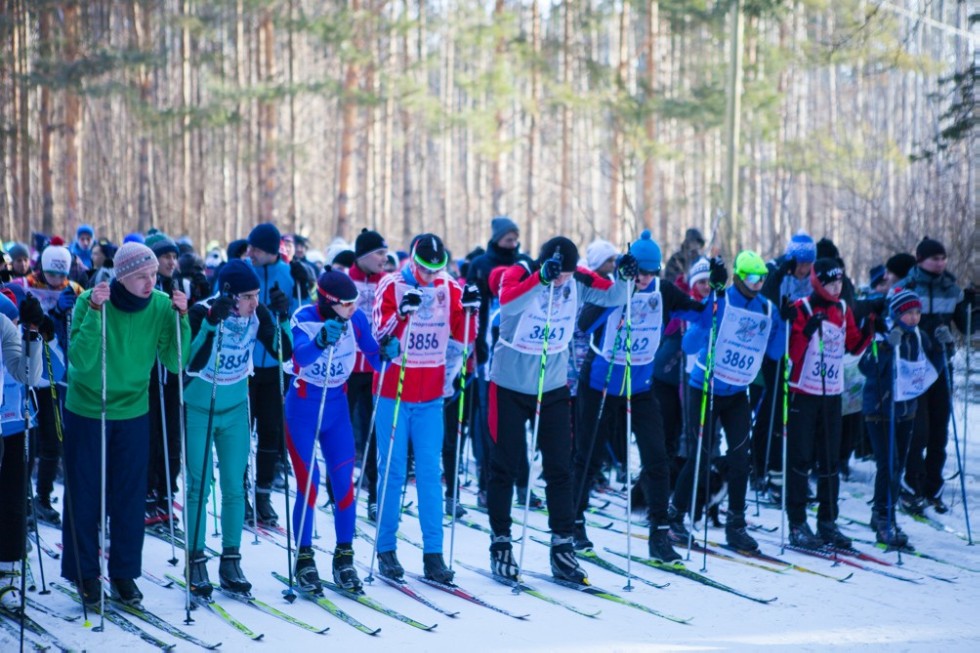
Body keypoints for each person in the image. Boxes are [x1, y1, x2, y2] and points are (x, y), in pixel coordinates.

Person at [487, 236, 628, 583]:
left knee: (560, 467)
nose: (563, 280)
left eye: (566, 274)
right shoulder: (517, 271)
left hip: (551, 387)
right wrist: (541, 280)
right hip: (508, 386)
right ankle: (501, 542)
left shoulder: (577, 277)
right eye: (558, 273)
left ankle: (562, 545)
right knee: (505, 466)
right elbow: (507, 305)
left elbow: (613, 296)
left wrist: (624, 276)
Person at [60, 241, 190, 607]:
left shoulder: (162, 305)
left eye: (153, 275)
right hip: (89, 408)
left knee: (130, 497)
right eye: (140, 277)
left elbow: (175, 361)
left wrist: (182, 320)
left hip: (133, 410)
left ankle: (124, 573)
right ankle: (85, 574)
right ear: (121, 277)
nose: (150, 283)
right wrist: (97, 312)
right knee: (86, 495)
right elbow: (81, 363)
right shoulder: (92, 301)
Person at [574, 231, 704, 560]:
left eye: (651, 272)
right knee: (588, 457)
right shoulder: (613, 287)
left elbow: (700, 314)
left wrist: (716, 292)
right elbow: (585, 324)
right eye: (640, 272)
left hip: (640, 387)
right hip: (600, 384)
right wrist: (621, 289)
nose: (645, 278)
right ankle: (573, 524)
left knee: (657, 458)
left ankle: (659, 534)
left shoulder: (663, 291)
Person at [372, 234, 477, 583]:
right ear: (412, 262)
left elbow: (463, 336)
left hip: (431, 397)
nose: (431, 278)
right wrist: (403, 315)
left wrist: (474, 311)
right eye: (424, 270)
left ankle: (434, 555)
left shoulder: (450, 288)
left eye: (437, 270)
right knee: (394, 472)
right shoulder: (390, 285)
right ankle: (386, 547)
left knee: (431, 475)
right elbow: (380, 338)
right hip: (393, 395)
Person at [183, 259, 292, 598]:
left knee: (234, 486)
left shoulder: (257, 316)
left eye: (257, 295)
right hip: (201, 407)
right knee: (200, 485)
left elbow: (283, 353)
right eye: (247, 296)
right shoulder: (202, 312)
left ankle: (231, 559)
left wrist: (282, 318)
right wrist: (212, 324)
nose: (253, 303)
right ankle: (196, 559)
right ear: (228, 295)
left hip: (234, 409)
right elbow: (192, 362)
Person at [669, 251, 788, 551]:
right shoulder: (722, 299)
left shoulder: (767, 308)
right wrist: (715, 307)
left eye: (762, 278)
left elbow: (773, 354)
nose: (758, 283)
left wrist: (784, 323)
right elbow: (689, 343)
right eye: (751, 277)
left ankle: (736, 525)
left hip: (737, 392)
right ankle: (674, 517)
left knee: (740, 459)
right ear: (738, 276)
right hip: (705, 386)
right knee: (701, 455)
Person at [284, 270, 394, 593]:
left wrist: (386, 351)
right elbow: (300, 356)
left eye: (354, 303)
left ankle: (344, 557)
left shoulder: (356, 319)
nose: (352, 308)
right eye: (346, 304)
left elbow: (374, 357)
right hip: (303, 407)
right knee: (309, 484)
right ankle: (304, 558)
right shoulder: (303, 318)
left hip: (336, 407)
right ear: (328, 302)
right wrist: (320, 341)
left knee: (344, 485)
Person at [785, 258, 873, 548]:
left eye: (839, 282)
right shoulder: (802, 308)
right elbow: (793, 356)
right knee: (800, 459)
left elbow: (854, 345)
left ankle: (828, 521)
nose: (836, 287)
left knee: (829, 459)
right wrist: (807, 330)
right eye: (830, 282)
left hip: (832, 394)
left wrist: (871, 324)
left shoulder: (843, 309)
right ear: (817, 282)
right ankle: (797, 522)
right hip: (803, 394)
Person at [859, 287, 943, 548]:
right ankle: (884, 516)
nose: (914, 318)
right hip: (881, 410)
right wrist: (885, 348)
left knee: (898, 466)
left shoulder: (918, 336)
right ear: (896, 313)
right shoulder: (882, 333)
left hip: (907, 410)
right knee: (888, 464)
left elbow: (932, 370)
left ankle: (883, 513)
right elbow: (866, 367)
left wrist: (942, 347)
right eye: (908, 313)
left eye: (917, 312)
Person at [899, 237, 972, 514]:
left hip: (941, 366)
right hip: (914, 368)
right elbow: (893, 320)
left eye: (943, 258)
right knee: (918, 431)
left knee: (939, 430)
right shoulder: (907, 287)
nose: (940, 262)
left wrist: (973, 309)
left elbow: (966, 328)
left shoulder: (952, 289)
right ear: (920, 260)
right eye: (934, 258)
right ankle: (911, 487)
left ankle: (934, 488)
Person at [245, 222, 296, 524]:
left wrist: (287, 306)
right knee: (241, 433)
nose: (251, 252)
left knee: (270, 432)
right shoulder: (242, 271)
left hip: (277, 365)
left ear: (271, 252)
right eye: (251, 247)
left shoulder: (289, 276)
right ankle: (240, 494)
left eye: (257, 249)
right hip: (246, 365)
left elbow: (303, 310)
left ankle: (263, 494)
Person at [0, 293, 45, 611]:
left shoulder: (3, 324)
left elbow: (27, 374)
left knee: (12, 502)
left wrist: (31, 332)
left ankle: (7, 574)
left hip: (13, 425)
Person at [347, 228, 389, 520]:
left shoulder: (386, 282)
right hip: (348, 368)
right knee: (344, 430)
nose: (384, 259)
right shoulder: (344, 279)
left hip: (375, 368)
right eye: (379, 253)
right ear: (363, 255)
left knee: (374, 432)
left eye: (386, 253)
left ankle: (374, 495)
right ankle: (338, 487)